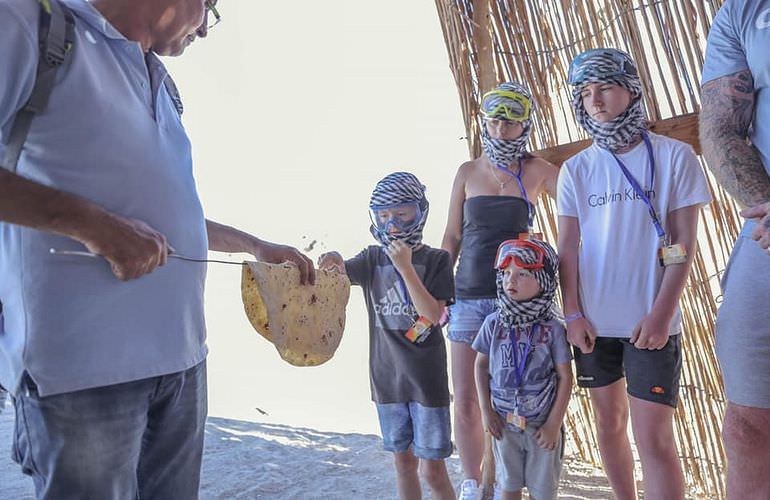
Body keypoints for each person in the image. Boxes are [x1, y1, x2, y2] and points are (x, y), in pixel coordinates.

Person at [0, 0, 314, 498]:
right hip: (82, 374)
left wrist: (255, 246)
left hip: (183, 365)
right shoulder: (32, 23)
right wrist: (90, 225)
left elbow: (169, 217)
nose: (207, 30)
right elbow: (110, 221)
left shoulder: (159, 80)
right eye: (209, 9)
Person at [557, 48, 711, 500]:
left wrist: (663, 314)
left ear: (632, 89)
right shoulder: (576, 170)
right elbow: (567, 251)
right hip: (593, 326)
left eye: (605, 87)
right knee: (609, 426)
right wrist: (573, 315)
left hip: (652, 324)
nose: (596, 101)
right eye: (585, 93)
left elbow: (682, 246)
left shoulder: (675, 157)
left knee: (655, 439)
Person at [440, 82, 558, 500]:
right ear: (484, 123)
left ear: (525, 123)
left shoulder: (541, 170)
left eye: (510, 122)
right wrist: (440, 293)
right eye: (495, 121)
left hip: (520, 298)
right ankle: (473, 484)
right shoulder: (467, 172)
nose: (502, 129)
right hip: (468, 294)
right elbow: (452, 237)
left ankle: (509, 481)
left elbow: (578, 223)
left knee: (520, 393)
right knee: (468, 397)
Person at [319, 172, 456, 500]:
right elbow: (338, 274)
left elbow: (433, 315)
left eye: (401, 213)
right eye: (382, 215)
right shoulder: (371, 258)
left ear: (420, 211)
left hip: (427, 384)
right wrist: (333, 260)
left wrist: (406, 268)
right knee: (404, 465)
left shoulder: (437, 260)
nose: (391, 223)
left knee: (433, 471)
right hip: (387, 383)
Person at [700, 2, 770, 497]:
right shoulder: (744, 11)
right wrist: (765, 205)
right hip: (768, 224)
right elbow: (721, 128)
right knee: (748, 425)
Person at [473, 239, 572, 500]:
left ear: (544, 279)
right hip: (503, 424)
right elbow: (481, 366)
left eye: (522, 274)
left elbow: (565, 377)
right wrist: (486, 412)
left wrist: (553, 424)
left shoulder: (553, 329)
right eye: (505, 273)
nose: (510, 281)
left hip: (542, 425)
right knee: (508, 486)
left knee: (544, 491)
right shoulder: (493, 323)